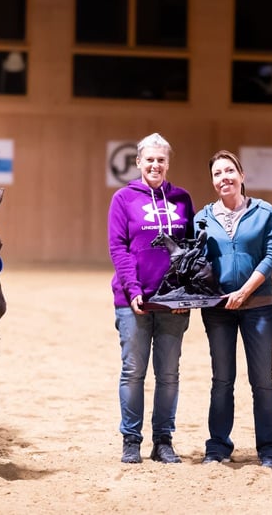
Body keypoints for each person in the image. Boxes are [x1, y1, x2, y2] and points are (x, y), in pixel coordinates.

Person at [107, 132, 195, 464]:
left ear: (168, 163)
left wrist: (186, 294)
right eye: (149, 159)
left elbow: (190, 250)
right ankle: (131, 441)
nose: (155, 165)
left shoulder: (183, 199)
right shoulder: (123, 199)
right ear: (138, 162)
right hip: (134, 301)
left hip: (173, 303)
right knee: (133, 372)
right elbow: (118, 248)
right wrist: (133, 290)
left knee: (169, 374)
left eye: (161, 160)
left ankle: (163, 442)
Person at [195, 150, 272, 470]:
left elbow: (271, 256)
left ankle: (270, 449)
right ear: (212, 181)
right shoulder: (202, 218)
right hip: (218, 311)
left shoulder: (265, 212)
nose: (224, 178)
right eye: (217, 174)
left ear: (242, 175)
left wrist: (245, 291)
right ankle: (218, 446)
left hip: (257, 307)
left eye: (229, 171)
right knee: (221, 380)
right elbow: (196, 262)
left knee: (262, 381)